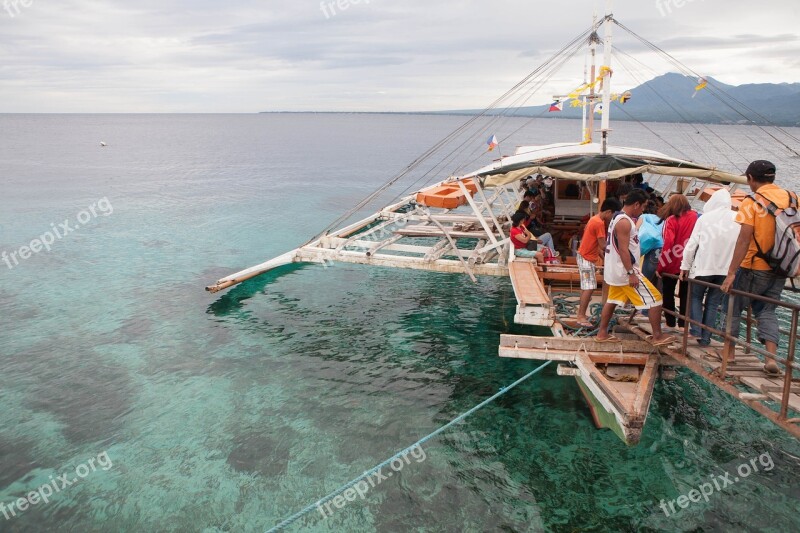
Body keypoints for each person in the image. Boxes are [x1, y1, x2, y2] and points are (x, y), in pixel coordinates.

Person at [721, 160, 793, 373]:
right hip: (782, 267)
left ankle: (730, 353)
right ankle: (771, 358)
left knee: (732, 306)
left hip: (754, 266)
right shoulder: (792, 198)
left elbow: (744, 239)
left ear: (750, 178)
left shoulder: (752, 201)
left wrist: (731, 272)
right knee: (768, 310)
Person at [595, 189, 673, 345]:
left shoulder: (617, 218)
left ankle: (602, 333)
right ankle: (658, 336)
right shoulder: (624, 222)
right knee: (655, 298)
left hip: (616, 270)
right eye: (643, 206)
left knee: (612, 299)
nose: (643, 210)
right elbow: (623, 249)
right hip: (625, 271)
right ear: (636, 204)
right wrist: (631, 272)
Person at [679, 189, 738, 346]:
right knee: (713, 303)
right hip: (725, 270)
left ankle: (696, 330)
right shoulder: (738, 219)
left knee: (695, 297)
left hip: (703, 267)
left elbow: (691, 245)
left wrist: (684, 266)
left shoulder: (705, 218)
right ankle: (706, 338)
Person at [575, 198, 622, 327]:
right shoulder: (599, 223)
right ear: (608, 212)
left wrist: (605, 257)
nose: (612, 219)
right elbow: (603, 245)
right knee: (589, 287)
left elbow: (595, 244)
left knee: (586, 287)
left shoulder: (594, 218)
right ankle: (580, 316)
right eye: (613, 216)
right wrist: (618, 250)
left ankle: (581, 313)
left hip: (585, 256)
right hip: (586, 258)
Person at [656, 194, 699, 330]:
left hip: (673, 261)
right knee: (686, 293)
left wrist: (660, 267)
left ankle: (670, 322)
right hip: (691, 261)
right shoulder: (695, 216)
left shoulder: (671, 220)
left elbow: (668, 243)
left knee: (668, 292)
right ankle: (683, 324)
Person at [636, 212, 664, 288]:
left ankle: (645, 299)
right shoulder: (662, 219)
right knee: (659, 281)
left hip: (653, 251)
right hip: (664, 251)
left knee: (646, 282)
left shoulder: (643, 216)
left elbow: (636, 231)